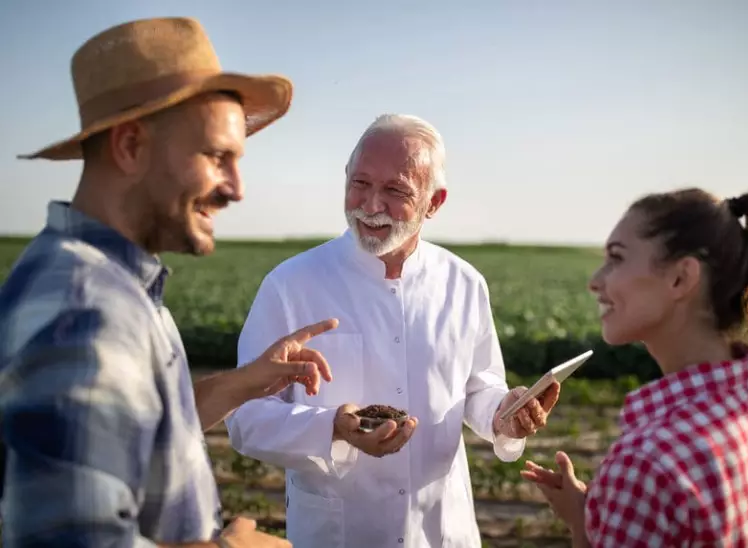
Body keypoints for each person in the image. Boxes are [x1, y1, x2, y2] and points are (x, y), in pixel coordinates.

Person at [0, 16, 339, 548]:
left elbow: (129, 433)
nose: (236, 189)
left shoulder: (112, 285)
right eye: (217, 157)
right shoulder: (84, 311)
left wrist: (241, 383)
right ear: (131, 146)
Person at [225, 113, 561, 548]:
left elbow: (479, 387)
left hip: (442, 531)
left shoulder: (464, 283)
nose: (370, 205)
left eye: (395, 191)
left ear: (434, 202)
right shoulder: (290, 284)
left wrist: (503, 414)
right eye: (360, 184)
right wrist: (332, 428)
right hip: (338, 533)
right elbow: (246, 417)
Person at [521, 188, 748, 547]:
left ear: (681, 278)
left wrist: (581, 526)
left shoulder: (646, 463)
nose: (595, 281)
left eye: (616, 258)